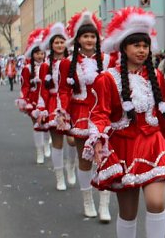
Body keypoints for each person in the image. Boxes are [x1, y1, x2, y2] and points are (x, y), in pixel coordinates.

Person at [85, 7, 165, 238]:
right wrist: (99, 138)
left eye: (145, 45)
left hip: (153, 144)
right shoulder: (108, 79)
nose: (141, 50)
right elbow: (100, 113)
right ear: (123, 48)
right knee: (128, 211)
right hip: (124, 146)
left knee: (156, 202)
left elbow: (164, 113)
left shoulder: (157, 77)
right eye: (136, 45)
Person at [59, 11, 112, 222]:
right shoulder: (67, 63)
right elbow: (64, 90)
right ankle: (87, 201)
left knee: (105, 159)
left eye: (92, 36)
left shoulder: (107, 60)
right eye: (85, 36)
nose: (89, 40)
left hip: (104, 113)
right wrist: (63, 113)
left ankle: (104, 205)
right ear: (78, 39)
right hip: (81, 113)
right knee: (85, 160)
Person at [39, 22, 74, 191]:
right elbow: (43, 90)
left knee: (73, 141)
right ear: (51, 45)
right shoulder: (46, 65)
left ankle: (71, 167)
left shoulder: (73, 62)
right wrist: (42, 109)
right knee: (57, 142)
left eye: (62, 42)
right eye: (56, 42)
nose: (60, 45)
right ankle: (59, 177)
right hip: (54, 104)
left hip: (71, 104)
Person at [16, 28, 50, 163]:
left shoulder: (48, 66)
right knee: (36, 124)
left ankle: (46, 143)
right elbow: (25, 85)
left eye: (42, 53)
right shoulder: (27, 69)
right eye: (37, 53)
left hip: (46, 99)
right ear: (32, 54)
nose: (40, 56)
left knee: (46, 123)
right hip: (33, 99)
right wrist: (23, 98)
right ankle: (39, 151)